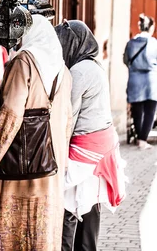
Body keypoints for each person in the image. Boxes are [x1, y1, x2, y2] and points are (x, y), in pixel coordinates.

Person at [0, 15, 73, 251]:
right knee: (41, 238)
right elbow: (67, 122)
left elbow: (11, 113)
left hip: (18, 174)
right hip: (49, 173)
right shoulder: (62, 70)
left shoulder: (25, 62)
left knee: (12, 237)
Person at [55, 20, 126, 251]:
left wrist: (58, 152)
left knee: (68, 208)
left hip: (85, 149)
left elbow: (69, 115)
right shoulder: (94, 66)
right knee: (89, 206)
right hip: (99, 147)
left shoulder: (79, 70)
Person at [124, 14, 157, 149]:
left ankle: (139, 138)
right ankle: (143, 139)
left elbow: (126, 60)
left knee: (137, 109)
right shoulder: (154, 43)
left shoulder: (131, 43)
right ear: (151, 28)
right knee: (150, 110)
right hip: (151, 80)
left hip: (135, 79)